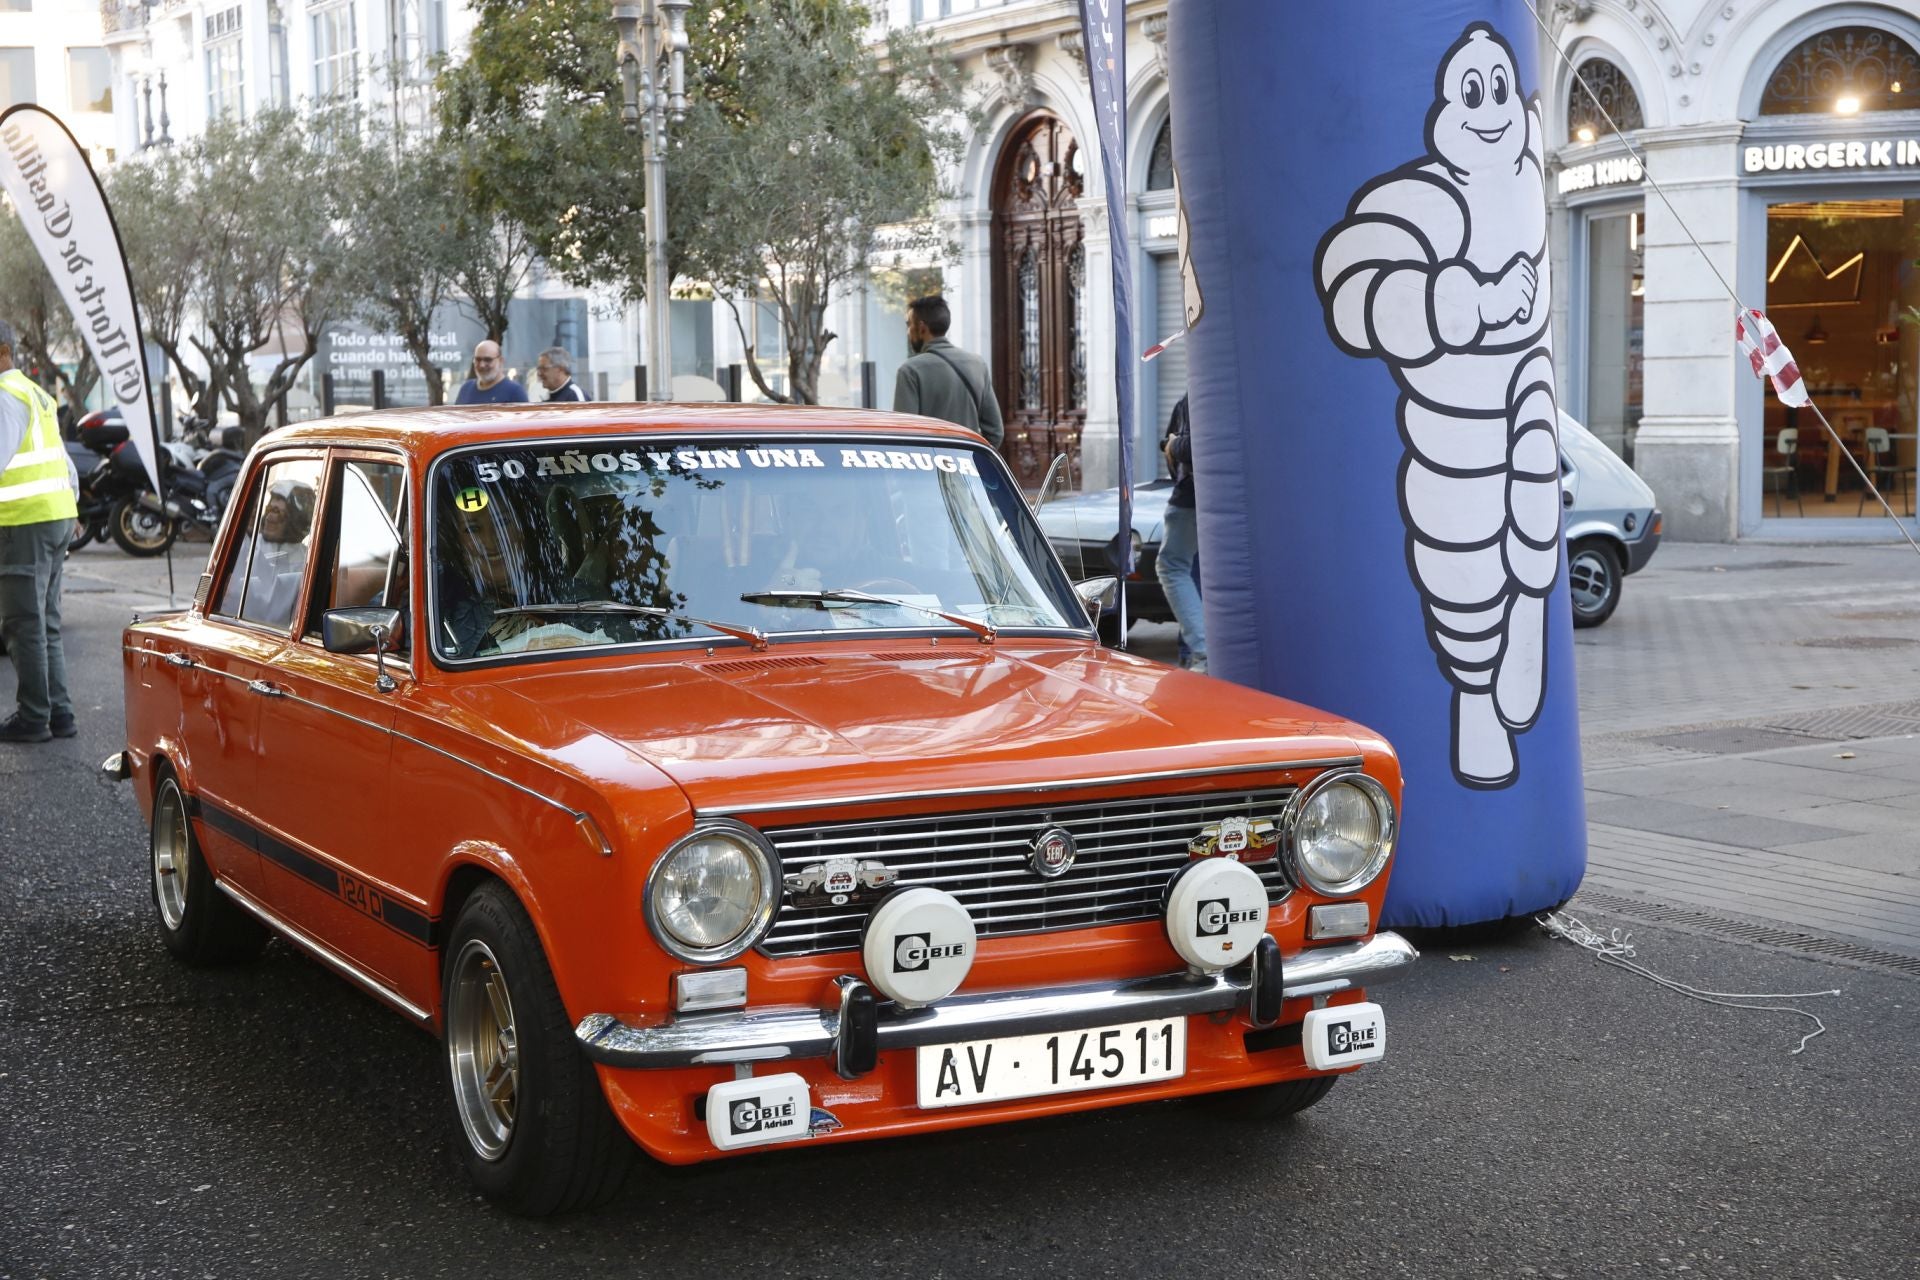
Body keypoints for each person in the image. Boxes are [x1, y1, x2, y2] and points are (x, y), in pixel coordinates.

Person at [0, 320, 81, 742]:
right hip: (55, 516)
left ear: (2, 352)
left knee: (23, 623)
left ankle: (34, 717)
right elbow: (64, 463)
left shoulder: (3, 396)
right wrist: (72, 508)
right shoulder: (37, 394)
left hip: (24, 522)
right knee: (45, 620)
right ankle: (59, 714)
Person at [892, 295, 1003, 450]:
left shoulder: (910, 371)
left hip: (928, 471)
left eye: (909, 325)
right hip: (966, 469)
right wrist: (974, 461)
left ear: (922, 328)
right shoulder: (978, 364)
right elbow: (996, 432)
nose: (908, 332)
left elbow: (903, 435)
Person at [1155, 394, 1205, 674]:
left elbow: (1193, 445)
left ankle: (1202, 650)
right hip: (1199, 498)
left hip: (1191, 497)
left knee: (1172, 566)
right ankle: (1199, 650)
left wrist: (1173, 444)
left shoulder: (1198, 397)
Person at [454, 340, 528, 405]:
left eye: (488, 360)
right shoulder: (466, 389)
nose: (482, 365)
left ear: (501, 361)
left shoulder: (514, 391)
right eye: (478, 359)